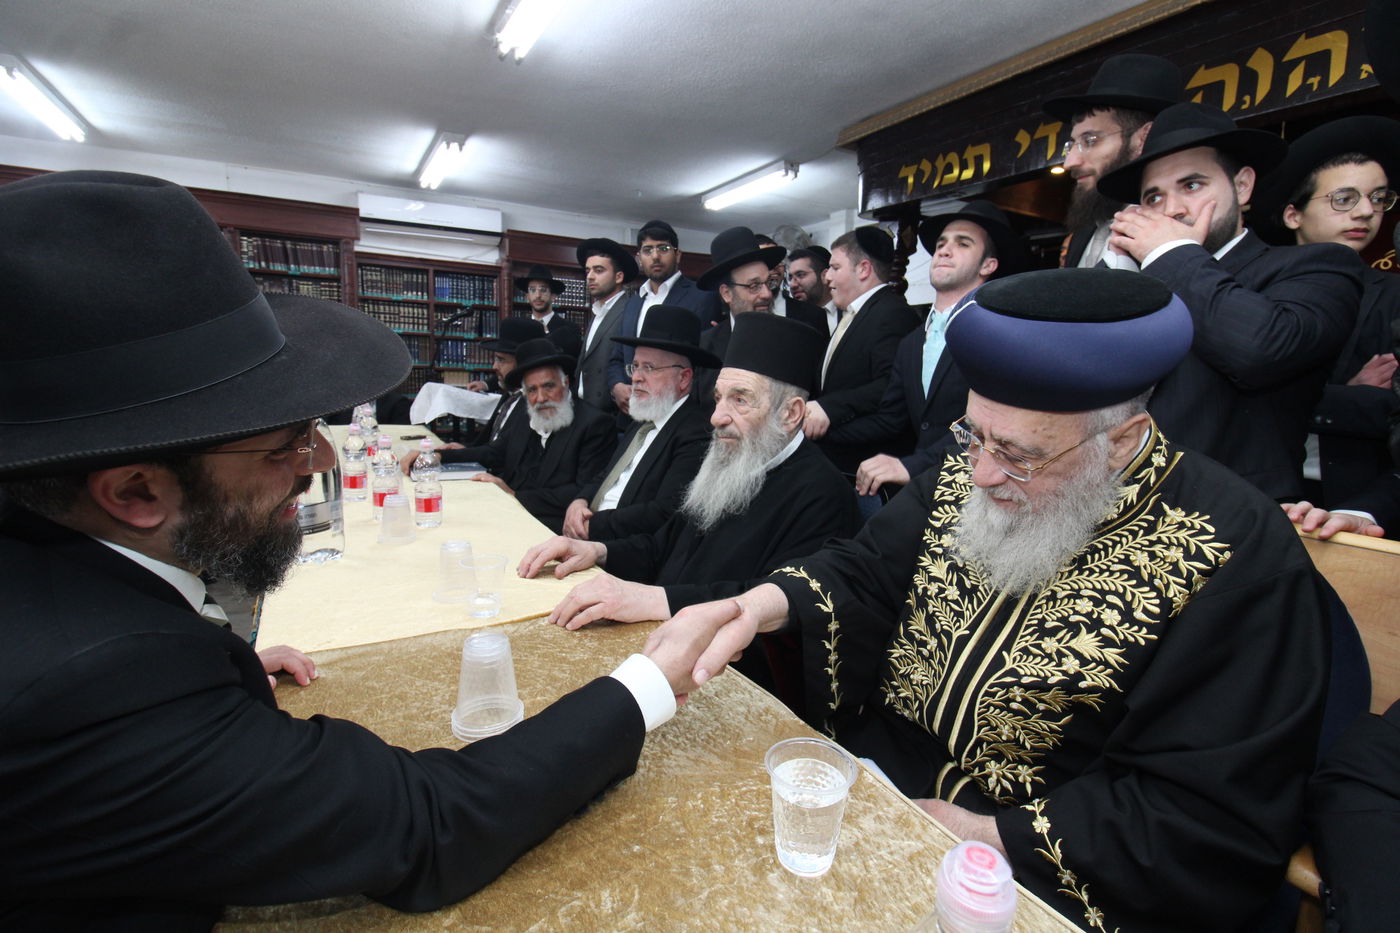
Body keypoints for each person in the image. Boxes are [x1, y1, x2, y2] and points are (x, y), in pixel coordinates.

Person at [0, 170, 695, 929]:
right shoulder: (104, 691)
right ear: (135, 492)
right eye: (284, 445)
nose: (322, 463)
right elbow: (431, 821)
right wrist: (643, 685)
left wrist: (213, 668)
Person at [645, 268, 1332, 932]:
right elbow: (866, 570)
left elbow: (1201, 812)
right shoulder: (968, 468)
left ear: (1121, 438)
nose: (978, 472)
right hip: (875, 782)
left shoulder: (1233, 553)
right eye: (972, 435)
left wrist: (979, 833)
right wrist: (752, 605)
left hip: (1028, 864)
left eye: (1019, 454)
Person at [520, 312, 859, 709]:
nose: (717, 416)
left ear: (791, 413)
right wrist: (599, 552)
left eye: (741, 399)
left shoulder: (823, 496)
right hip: (661, 640)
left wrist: (651, 598)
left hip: (732, 682)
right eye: (718, 397)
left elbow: (768, 604)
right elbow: (665, 543)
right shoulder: (732, 459)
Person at [1100, 101, 1365, 501]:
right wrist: (1114, 279)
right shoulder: (1139, 278)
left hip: (1234, 525)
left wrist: (1171, 254)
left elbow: (1260, 349)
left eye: (1192, 186)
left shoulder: (1317, 265)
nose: (1172, 209)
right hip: (1119, 513)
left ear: (1242, 186)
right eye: (1153, 198)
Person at [826, 201, 1029, 498]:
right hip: (921, 495)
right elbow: (891, 419)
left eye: (963, 243)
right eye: (941, 243)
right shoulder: (912, 342)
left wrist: (912, 466)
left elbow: (988, 425)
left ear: (988, 265)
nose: (944, 250)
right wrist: (811, 432)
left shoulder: (1003, 337)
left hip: (978, 490)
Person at [1251, 116, 1400, 506]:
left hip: (1356, 502)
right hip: (1255, 495)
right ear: (1293, 215)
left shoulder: (1395, 296)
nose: (1366, 212)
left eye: (1378, 197)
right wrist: (1347, 397)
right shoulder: (1247, 289)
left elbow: (1392, 407)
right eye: (1344, 199)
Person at [563, 305, 717, 540]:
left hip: (619, 549)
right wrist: (579, 501)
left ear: (684, 378)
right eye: (635, 366)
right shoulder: (642, 420)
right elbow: (607, 474)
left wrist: (591, 525)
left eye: (649, 368)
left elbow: (663, 512)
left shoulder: (695, 432)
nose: (635, 377)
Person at [441, 338, 614, 532]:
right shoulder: (526, 416)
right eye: (532, 390)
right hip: (505, 512)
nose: (540, 398)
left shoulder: (595, 424)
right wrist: (439, 456)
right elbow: (494, 452)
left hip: (547, 525)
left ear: (565, 382)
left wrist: (514, 495)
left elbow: (582, 490)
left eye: (549, 386)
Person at [1042, 52, 1181, 269]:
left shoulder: (1177, 229)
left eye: (1090, 141)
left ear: (1144, 138)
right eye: (1071, 145)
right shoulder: (1084, 232)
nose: (1070, 162)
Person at [804, 226, 922, 478]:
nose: (827, 278)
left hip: (865, 468)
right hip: (838, 462)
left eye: (835, 268)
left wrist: (829, 409)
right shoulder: (854, 313)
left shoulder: (892, 314)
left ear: (864, 269)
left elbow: (891, 386)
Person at [692, 226, 826, 406]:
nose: (766, 294)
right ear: (727, 293)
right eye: (754, 286)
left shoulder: (795, 341)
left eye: (768, 283)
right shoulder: (705, 347)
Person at [606, 219, 716, 415]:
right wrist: (616, 386)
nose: (655, 256)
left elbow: (704, 364)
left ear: (678, 254)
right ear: (639, 257)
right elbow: (617, 357)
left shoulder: (701, 298)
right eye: (648, 250)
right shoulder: (633, 303)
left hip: (674, 412)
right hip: (630, 413)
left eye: (663, 248)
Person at [573, 237, 637, 414]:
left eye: (599, 270)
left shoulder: (630, 311)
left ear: (619, 277)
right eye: (587, 271)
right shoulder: (598, 312)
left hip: (610, 415)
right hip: (584, 410)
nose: (590, 277)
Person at [513, 263, 582, 360]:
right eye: (532, 290)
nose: (538, 295)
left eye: (543, 290)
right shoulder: (519, 330)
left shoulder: (570, 329)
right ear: (527, 296)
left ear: (553, 296)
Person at [786, 246, 835, 334]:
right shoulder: (789, 319)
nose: (793, 284)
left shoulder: (848, 311)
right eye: (790, 278)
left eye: (800, 275)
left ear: (825, 276)